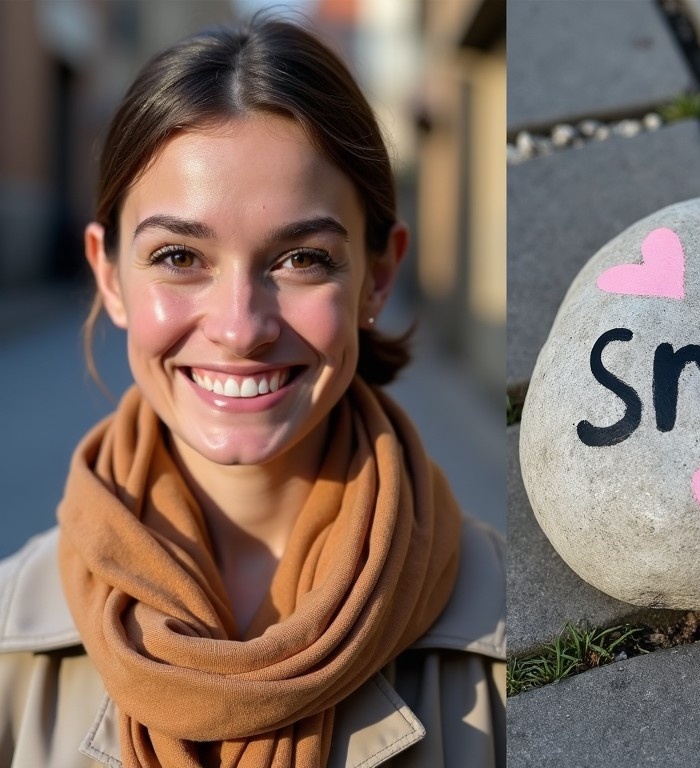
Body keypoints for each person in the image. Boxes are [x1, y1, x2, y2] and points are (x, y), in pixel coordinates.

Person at [0, 16, 505, 768]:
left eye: (302, 258)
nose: (240, 328)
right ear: (109, 277)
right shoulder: (10, 638)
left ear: (379, 276)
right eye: (178, 256)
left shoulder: (501, 628)